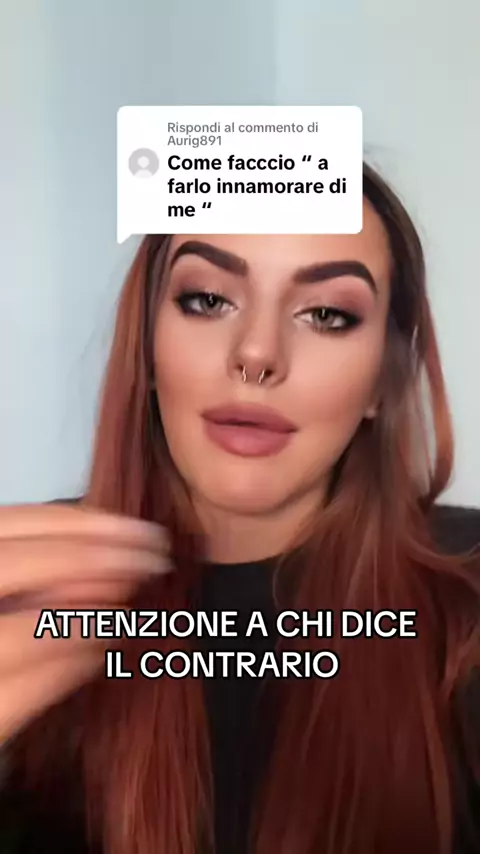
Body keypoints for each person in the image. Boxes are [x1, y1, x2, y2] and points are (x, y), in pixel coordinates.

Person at [0, 163, 479, 854]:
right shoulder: (30, 595)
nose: (256, 355)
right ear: (148, 348)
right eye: (207, 300)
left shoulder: (468, 597)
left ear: (383, 379)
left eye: (327, 314)